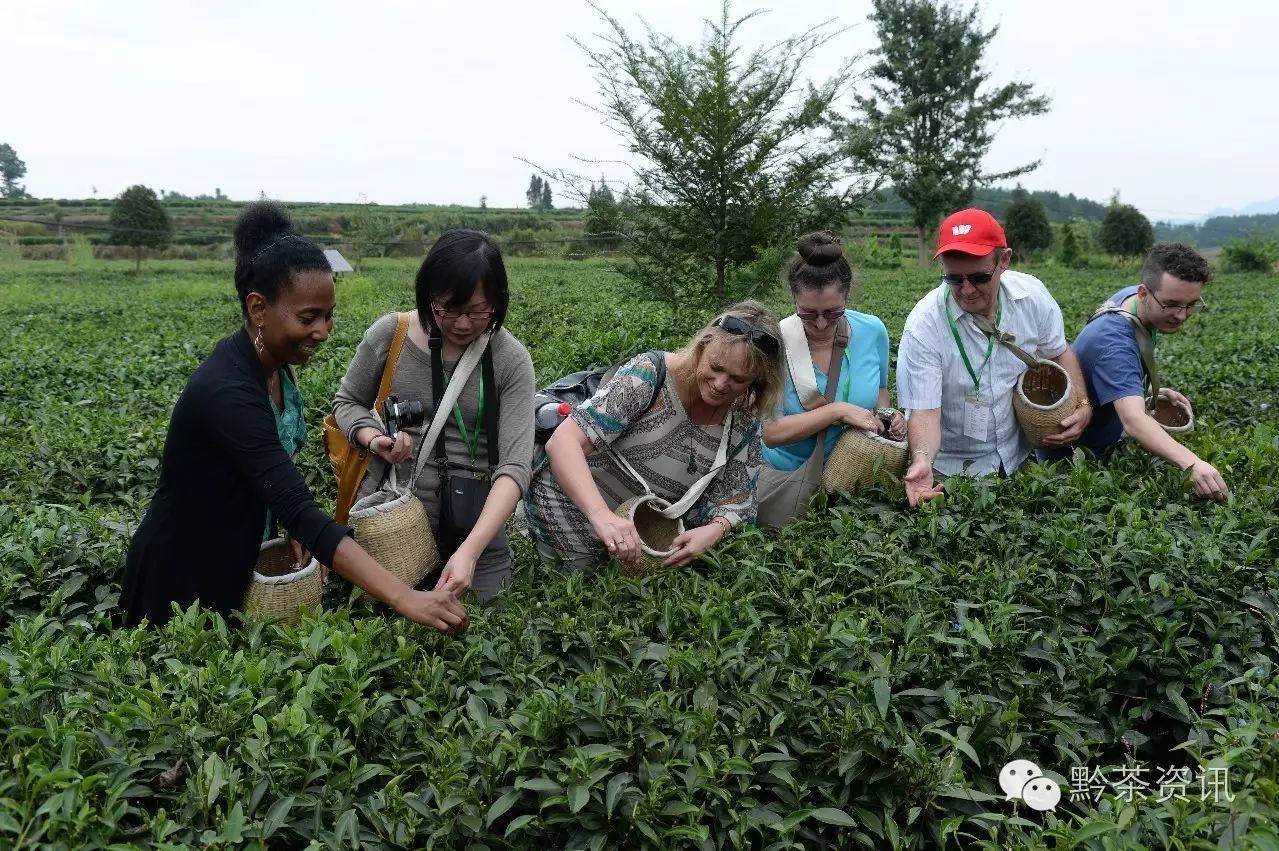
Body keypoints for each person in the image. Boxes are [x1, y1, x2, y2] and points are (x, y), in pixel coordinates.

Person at [119, 202, 467, 632]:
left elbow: (272, 478)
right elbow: (299, 506)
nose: (323, 331)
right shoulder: (228, 391)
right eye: (308, 318)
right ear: (258, 309)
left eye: (328, 315)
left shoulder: (276, 367)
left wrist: (289, 523)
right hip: (185, 574)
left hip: (242, 553)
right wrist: (406, 597)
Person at [333, 230, 535, 602]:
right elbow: (347, 403)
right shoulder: (389, 335)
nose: (462, 324)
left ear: (498, 302)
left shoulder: (510, 360)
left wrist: (469, 553)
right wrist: (373, 438)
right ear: (429, 296)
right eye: (449, 309)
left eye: (478, 311)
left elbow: (515, 467)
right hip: (391, 531)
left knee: (483, 626)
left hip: (474, 532)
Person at [523, 301, 784, 570]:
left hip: (646, 530)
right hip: (571, 503)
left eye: (737, 379)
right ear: (702, 346)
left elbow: (739, 498)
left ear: (757, 380)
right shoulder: (650, 374)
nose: (720, 384)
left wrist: (715, 530)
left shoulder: (744, 418)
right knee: (582, 585)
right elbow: (563, 442)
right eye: (715, 368)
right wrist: (601, 516)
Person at [897, 209, 1092, 507]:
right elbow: (925, 411)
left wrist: (1083, 404)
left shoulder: (1032, 297)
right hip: (951, 468)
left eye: (978, 277)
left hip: (1018, 456)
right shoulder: (924, 325)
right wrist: (922, 459)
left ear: (1004, 261)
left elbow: (1059, 351)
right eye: (953, 278)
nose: (966, 290)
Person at [1039, 242, 1227, 500]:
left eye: (1191, 304)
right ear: (1143, 293)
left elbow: (1111, 371)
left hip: (1103, 433)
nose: (1181, 315)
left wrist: (1141, 389)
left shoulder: (1131, 300)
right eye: (1172, 304)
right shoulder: (1114, 343)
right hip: (1077, 460)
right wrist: (1192, 464)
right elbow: (1134, 421)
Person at [757, 231, 905, 527]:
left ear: (847, 296)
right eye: (808, 314)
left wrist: (888, 415)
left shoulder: (873, 330)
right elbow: (771, 434)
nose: (822, 323)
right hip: (790, 482)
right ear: (793, 298)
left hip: (853, 477)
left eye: (833, 312)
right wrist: (838, 411)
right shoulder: (774, 343)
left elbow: (879, 393)